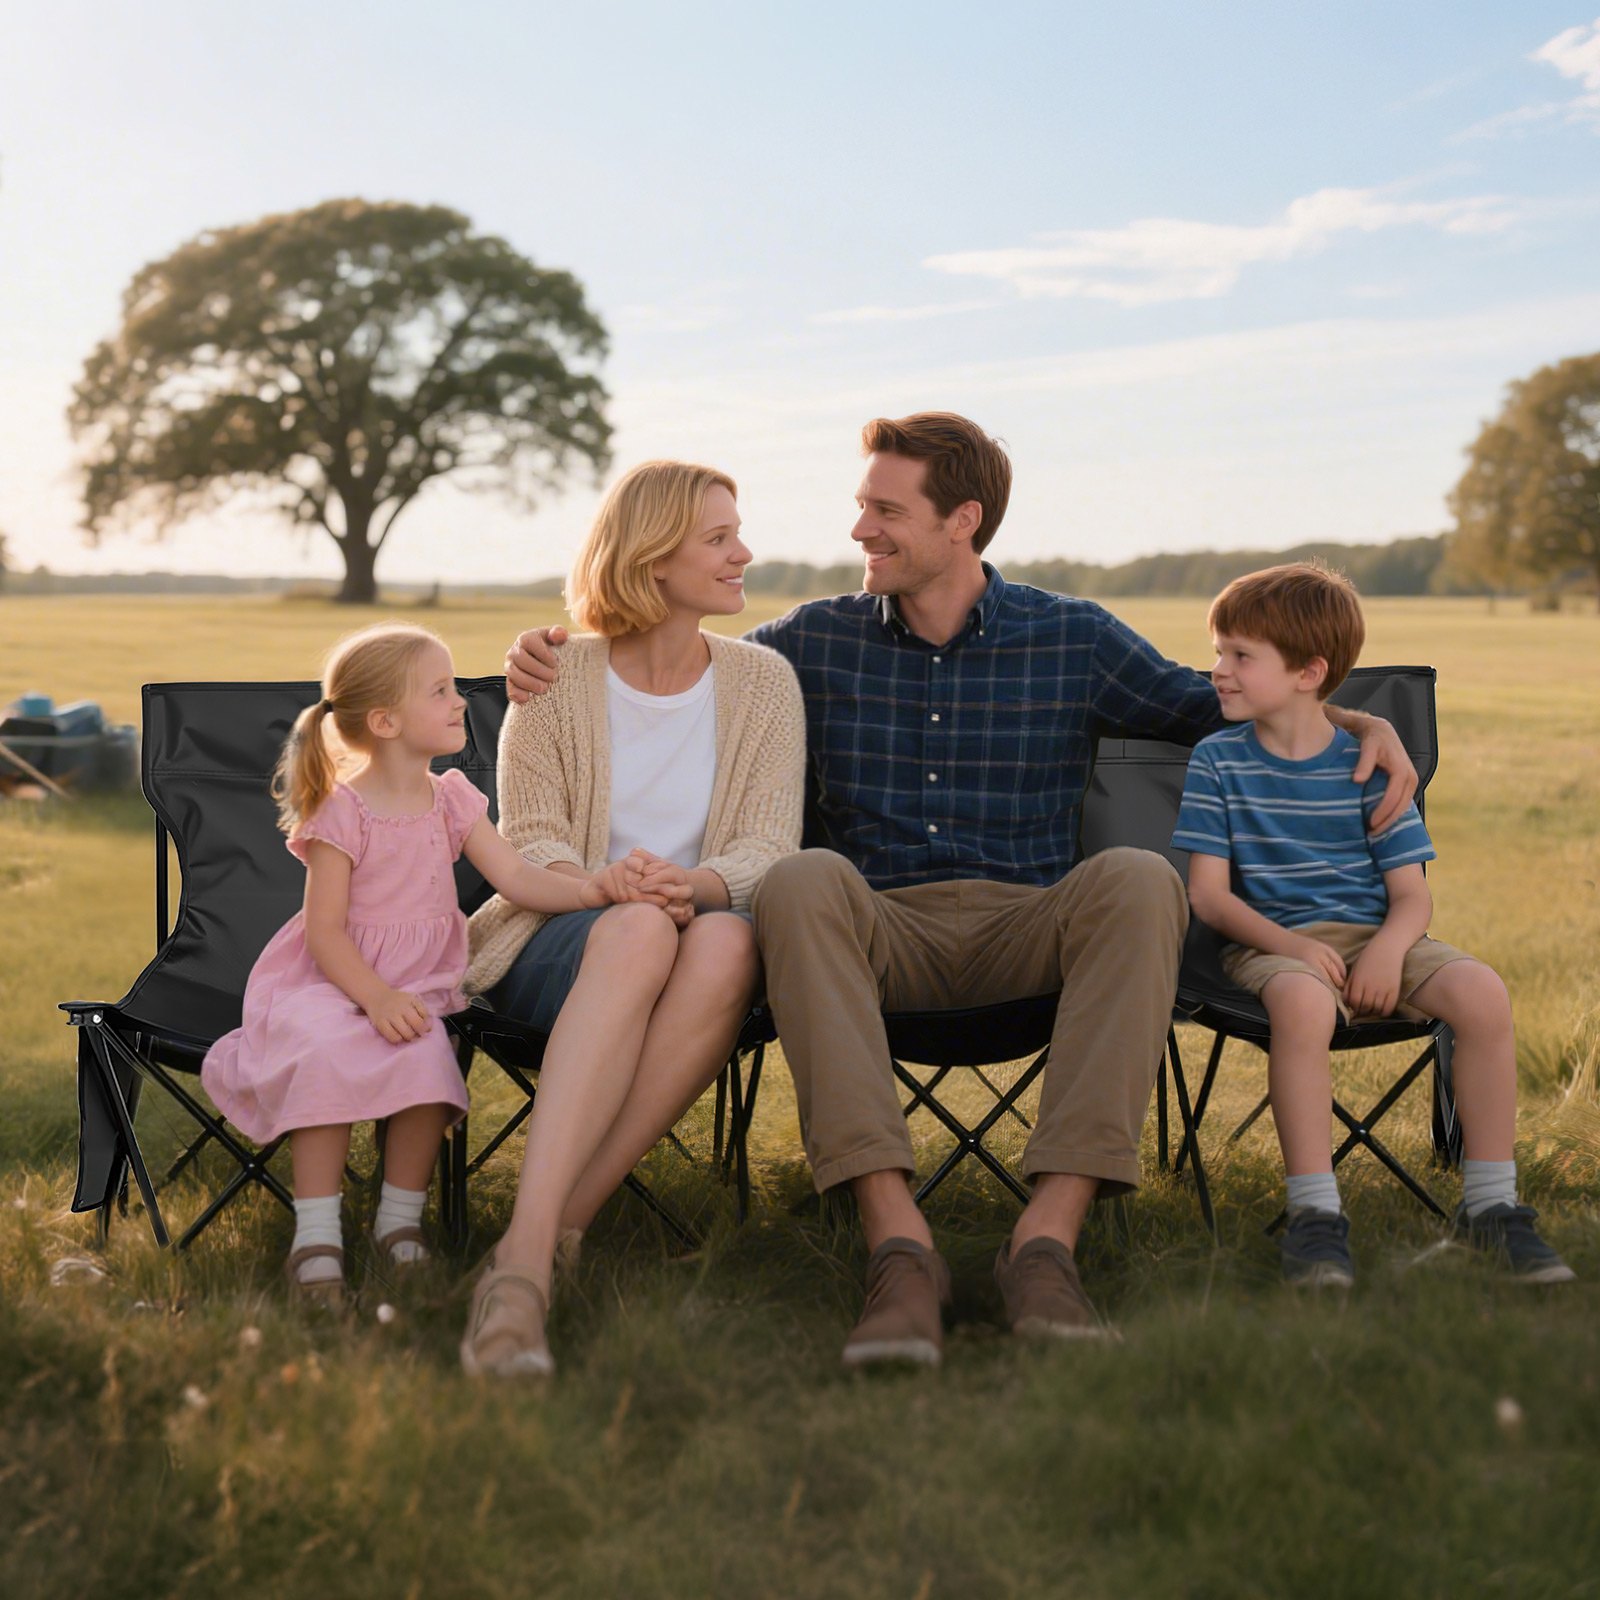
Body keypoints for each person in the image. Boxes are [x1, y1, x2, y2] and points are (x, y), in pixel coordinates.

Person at [506, 412, 1421, 1367]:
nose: (859, 529)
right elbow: (672, 653)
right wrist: (551, 651)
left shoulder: (1072, 634)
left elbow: (1223, 706)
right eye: (862, 506)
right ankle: (898, 1251)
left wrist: (1358, 723)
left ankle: (1046, 1244)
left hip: (1027, 929)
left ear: (963, 521)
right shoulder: (807, 646)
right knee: (802, 877)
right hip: (875, 934)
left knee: (1142, 881)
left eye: (885, 510)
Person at [460, 459, 805, 1380]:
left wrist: (692, 887)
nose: (745, 553)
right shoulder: (555, 677)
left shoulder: (765, 684)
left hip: (696, 934)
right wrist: (608, 886)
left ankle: (547, 1239)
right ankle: (529, 1259)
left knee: (729, 936)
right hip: (555, 935)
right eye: (719, 538)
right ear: (653, 558)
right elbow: (527, 841)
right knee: (644, 930)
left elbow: (769, 845)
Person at [1173, 562, 1574, 1288]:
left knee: (1482, 992)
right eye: (1218, 651)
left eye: (1239, 656)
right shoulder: (1218, 761)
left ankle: (1490, 1206)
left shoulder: (1368, 765)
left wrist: (1389, 952)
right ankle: (1316, 1218)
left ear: (1309, 672)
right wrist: (1292, 946)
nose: (1218, 672)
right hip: (1269, 945)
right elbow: (1208, 898)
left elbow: (1412, 897)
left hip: (1376, 938)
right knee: (1301, 1002)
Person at [202, 623, 618, 1309]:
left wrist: (589, 891)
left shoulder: (450, 797)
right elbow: (326, 932)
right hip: (330, 980)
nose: (460, 702)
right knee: (325, 1053)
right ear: (386, 721)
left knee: (429, 1066)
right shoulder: (343, 810)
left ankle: (399, 1227)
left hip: (419, 985)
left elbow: (514, 874)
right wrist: (372, 996)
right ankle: (316, 1238)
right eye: (442, 691)